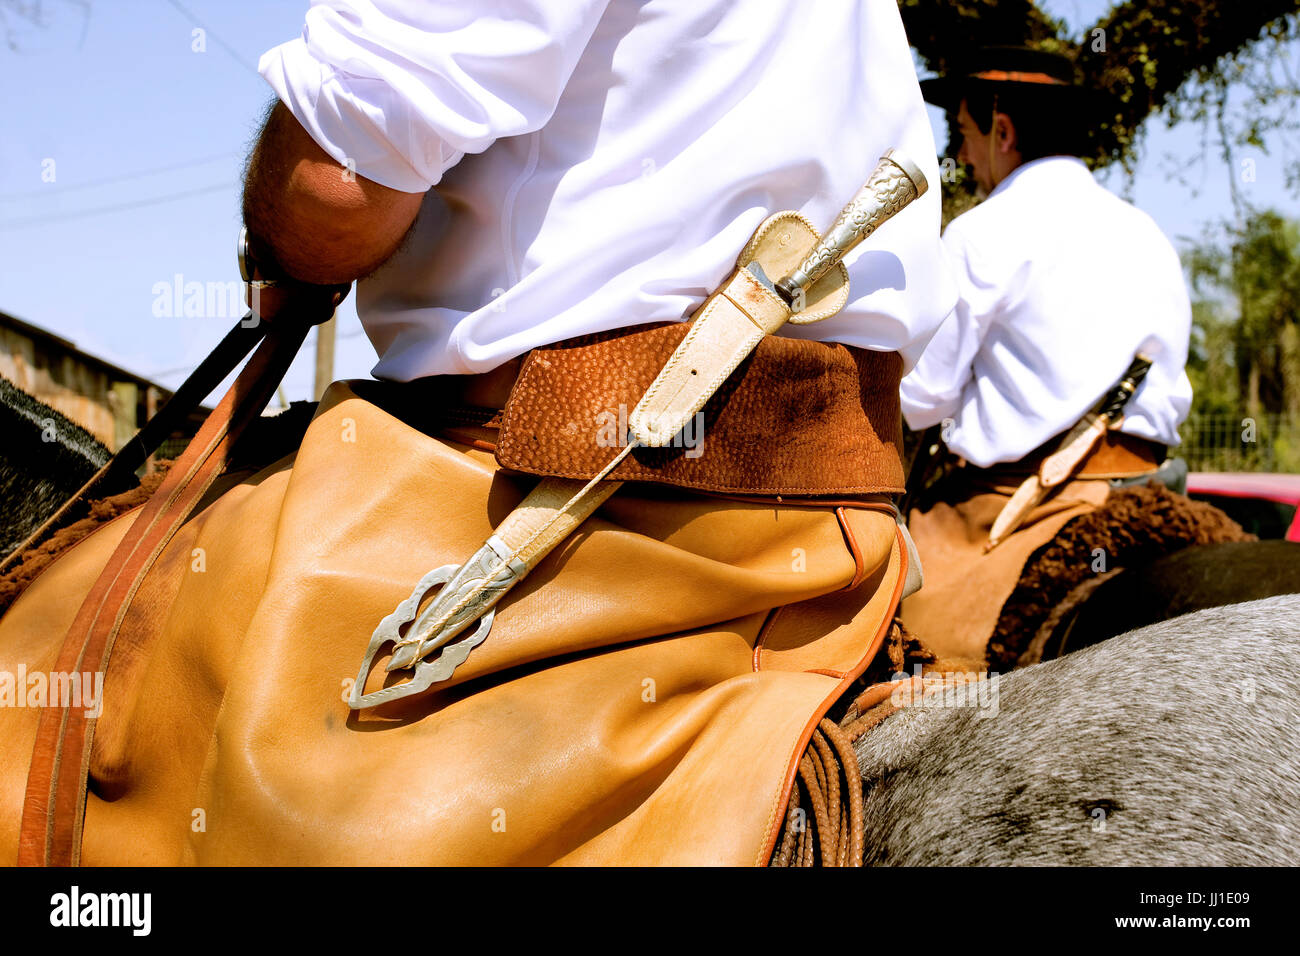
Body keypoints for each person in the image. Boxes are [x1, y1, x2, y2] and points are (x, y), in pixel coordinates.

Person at [0, 1, 954, 866]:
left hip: (537, 498)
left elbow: (334, 184)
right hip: (830, 534)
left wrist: (284, 233)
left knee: (76, 695)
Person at [898, 46, 1193, 668]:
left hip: (1018, 504)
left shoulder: (983, 232)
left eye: (966, 132)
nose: (964, 153)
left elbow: (922, 398)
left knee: (888, 634)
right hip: (1148, 486)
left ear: (1002, 132)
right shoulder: (1146, 232)